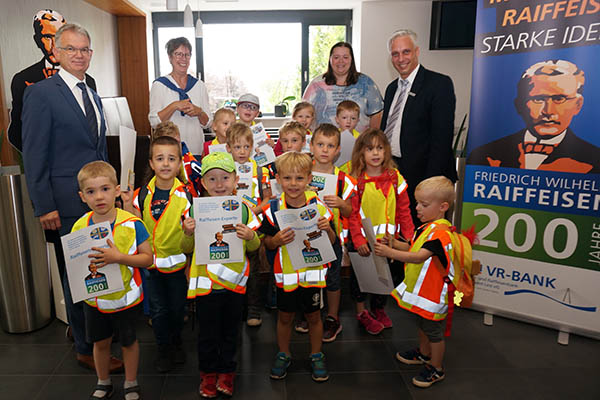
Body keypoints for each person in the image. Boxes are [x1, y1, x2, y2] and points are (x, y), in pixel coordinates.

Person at [20, 23, 122, 372]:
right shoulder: (42, 94)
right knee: (77, 275)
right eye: (72, 49)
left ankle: (97, 339)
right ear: (57, 53)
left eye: (85, 49)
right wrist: (43, 204)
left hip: (96, 202)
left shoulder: (91, 93)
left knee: (96, 269)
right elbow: (33, 154)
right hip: (63, 203)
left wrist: (112, 189)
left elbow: (96, 150)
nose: (79, 55)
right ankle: (85, 347)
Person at [73, 161, 153, 400]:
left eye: (105, 189)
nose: (99, 197)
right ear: (82, 196)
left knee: (129, 342)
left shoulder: (132, 223)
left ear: (117, 190)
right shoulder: (80, 226)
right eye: (91, 191)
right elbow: (76, 265)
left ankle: (131, 382)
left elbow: (148, 259)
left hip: (126, 299)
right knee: (100, 343)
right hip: (96, 301)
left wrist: (119, 258)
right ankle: (103, 380)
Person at [187, 152, 261, 398]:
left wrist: (250, 236)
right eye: (212, 179)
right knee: (207, 335)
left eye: (225, 178)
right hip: (206, 287)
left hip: (234, 286)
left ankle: (227, 373)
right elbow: (184, 248)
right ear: (203, 183)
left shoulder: (242, 209)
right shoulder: (195, 209)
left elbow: (255, 247)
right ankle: (207, 374)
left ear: (235, 179)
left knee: (231, 333)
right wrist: (186, 233)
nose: (219, 184)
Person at [373, 176, 458, 388]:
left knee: (434, 333)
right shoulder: (428, 228)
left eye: (424, 204)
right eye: (417, 202)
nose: (417, 208)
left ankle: (436, 368)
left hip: (433, 294)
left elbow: (418, 257)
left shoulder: (440, 233)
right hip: (424, 294)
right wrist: (394, 243)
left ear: (443, 207)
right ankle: (423, 353)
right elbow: (413, 248)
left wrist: (389, 251)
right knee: (423, 325)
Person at [259, 152, 336, 382]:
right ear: (279, 180)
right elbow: (267, 243)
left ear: (309, 179)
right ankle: (283, 354)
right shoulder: (272, 209)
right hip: (287, 276)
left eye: (299, 178)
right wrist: (276, 241)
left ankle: (316, 354)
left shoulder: (318, 205)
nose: (293, 184)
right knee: (285, 317)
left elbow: (332, 241)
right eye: (288, 178)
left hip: (312, 274)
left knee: (314, 317)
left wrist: (327, 229)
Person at [122, 135, 194, 373]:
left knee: (177, 308)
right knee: (158, 310)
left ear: (179, 163)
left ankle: (176, 343)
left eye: (171, 159)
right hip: (150, 267)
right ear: (151, 163)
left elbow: (190, 239)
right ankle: (163, 349)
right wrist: (126, 207)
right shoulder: (141, 194)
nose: (165, 164)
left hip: (176, 266)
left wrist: (189, 232)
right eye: (160, 158)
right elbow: (132, 227)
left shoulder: (186, 195)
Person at [467, 59, 600, 173]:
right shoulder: (485, 155)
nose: (548, 111)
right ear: (520, 105)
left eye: (559, 99)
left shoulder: (595, 160)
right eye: (538, 99)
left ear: (578, 104)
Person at [380, 29, 457, 224]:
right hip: (396, 173)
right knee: (398, 233)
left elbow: (442, 138)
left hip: (426, 178)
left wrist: (430, 185)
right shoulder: (391, 89)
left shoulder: (439, 84)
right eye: (395, 54)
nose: (401, 58)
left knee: (424, 240)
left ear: (417, 52)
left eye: (406, 52)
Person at [347, 129, 414, 335]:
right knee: (361, 279)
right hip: (363, 242)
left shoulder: (395, 178)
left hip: (388, 242)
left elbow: (404, 210)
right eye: (369, 149)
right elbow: (352, 214)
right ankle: (361, 312)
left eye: (380, 148)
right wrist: (358, 240)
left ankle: (378, 308)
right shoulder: (355, 180)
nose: (375, 153)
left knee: (386, 278)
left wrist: (411, 238)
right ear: (361, 153)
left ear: (386, 152)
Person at [9, 10, 98, 151]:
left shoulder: (89, 83)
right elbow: (17, 132)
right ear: (37, 40)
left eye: (57, 38)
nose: (52, 46)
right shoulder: (25, 81)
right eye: (47, 37)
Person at [307, 123, 356, 342]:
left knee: (333, 277)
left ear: (337, 150)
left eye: (330, 146)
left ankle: (332, 318)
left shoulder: (343, 179)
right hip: (305, 234)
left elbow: (351, 210)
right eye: (320, 144)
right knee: (308, 274)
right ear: (311, 146)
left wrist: (341, 203)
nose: (325, 150)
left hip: (331, 235)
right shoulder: (303, 173)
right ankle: (310, 313)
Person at [225, 123, 272, 327]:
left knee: (253, 268)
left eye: (246, 147)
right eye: (237, 147)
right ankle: (235, 307)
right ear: (228, 148)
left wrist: (254, 211)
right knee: (232, 265)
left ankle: (254, 308)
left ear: (252, 147)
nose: (242, 151)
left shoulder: (261, 170)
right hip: (229, 227)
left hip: (253, 226)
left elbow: (269, 199)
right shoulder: (223, 169)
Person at [149, 37, 211, 156]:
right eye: (178, 54)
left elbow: (208, 123)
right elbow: (154, 122)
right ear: (170, 57)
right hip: (169, 153)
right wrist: (174, 106)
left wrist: (199, 112)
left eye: (187, 55)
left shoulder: (199, 85)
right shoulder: (159, 85)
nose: (183, 58)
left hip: (195, 150)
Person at [303, 41, 384, 133]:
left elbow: (377, 114)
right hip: (323, 144)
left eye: (345, 57)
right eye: (336, 57)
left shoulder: (366, 83)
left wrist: (370, 139)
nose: (341, 61)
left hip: (359, 144)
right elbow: (302, 113)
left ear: (351, 60)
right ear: (330, 60)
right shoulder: (316, 84)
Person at [151, 121, 203, 197]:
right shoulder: (155, 164)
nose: (176, 147)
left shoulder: (190, 163)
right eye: (171, 144)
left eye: (177, 142)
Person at [335, 100, 362, 174]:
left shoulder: (360, 138)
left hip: (354, 174)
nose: (348, 121)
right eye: (344, 118)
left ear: (358, 120)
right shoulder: (333, 136)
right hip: (337, 173)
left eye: (353, 118)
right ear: (337, 119)